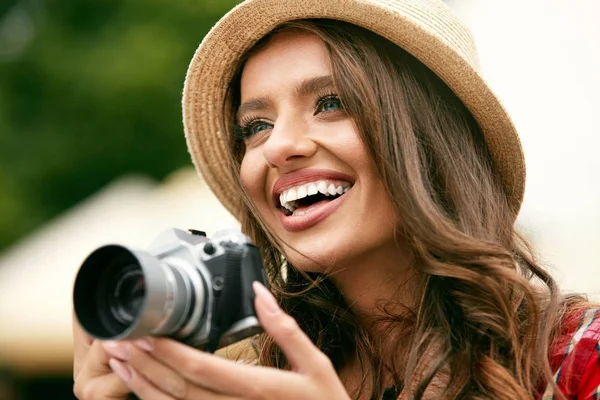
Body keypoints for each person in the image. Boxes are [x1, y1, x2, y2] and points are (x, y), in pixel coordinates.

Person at [72, 0, 600, 399]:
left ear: (431, 138)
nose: (278, 146)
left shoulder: (580, 359)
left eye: (331, 102)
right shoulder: (239, 380)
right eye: (255, 126)